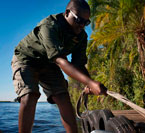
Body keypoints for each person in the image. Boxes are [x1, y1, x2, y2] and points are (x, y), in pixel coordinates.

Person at [11, 0, 107, 132]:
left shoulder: (81, 37)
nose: (82, 26)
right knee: (30, 95)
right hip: (27, 59)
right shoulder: (49, 26)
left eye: (86, 22)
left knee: (63, 98)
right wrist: (90, 82)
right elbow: (60, 61)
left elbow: (78, 64)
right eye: (79, 20)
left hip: (49, 64)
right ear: (67, 13)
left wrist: (89, 83)